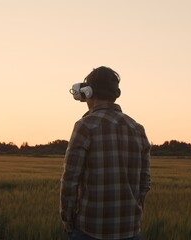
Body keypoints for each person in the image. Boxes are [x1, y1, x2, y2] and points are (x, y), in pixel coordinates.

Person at [60, 66, 151, 240]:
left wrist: (68, 222)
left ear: (88, 92)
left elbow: (70, 180)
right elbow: (144, 183)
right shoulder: (138, 129)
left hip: (90, 230)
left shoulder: (85, 126)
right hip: (130, 231)